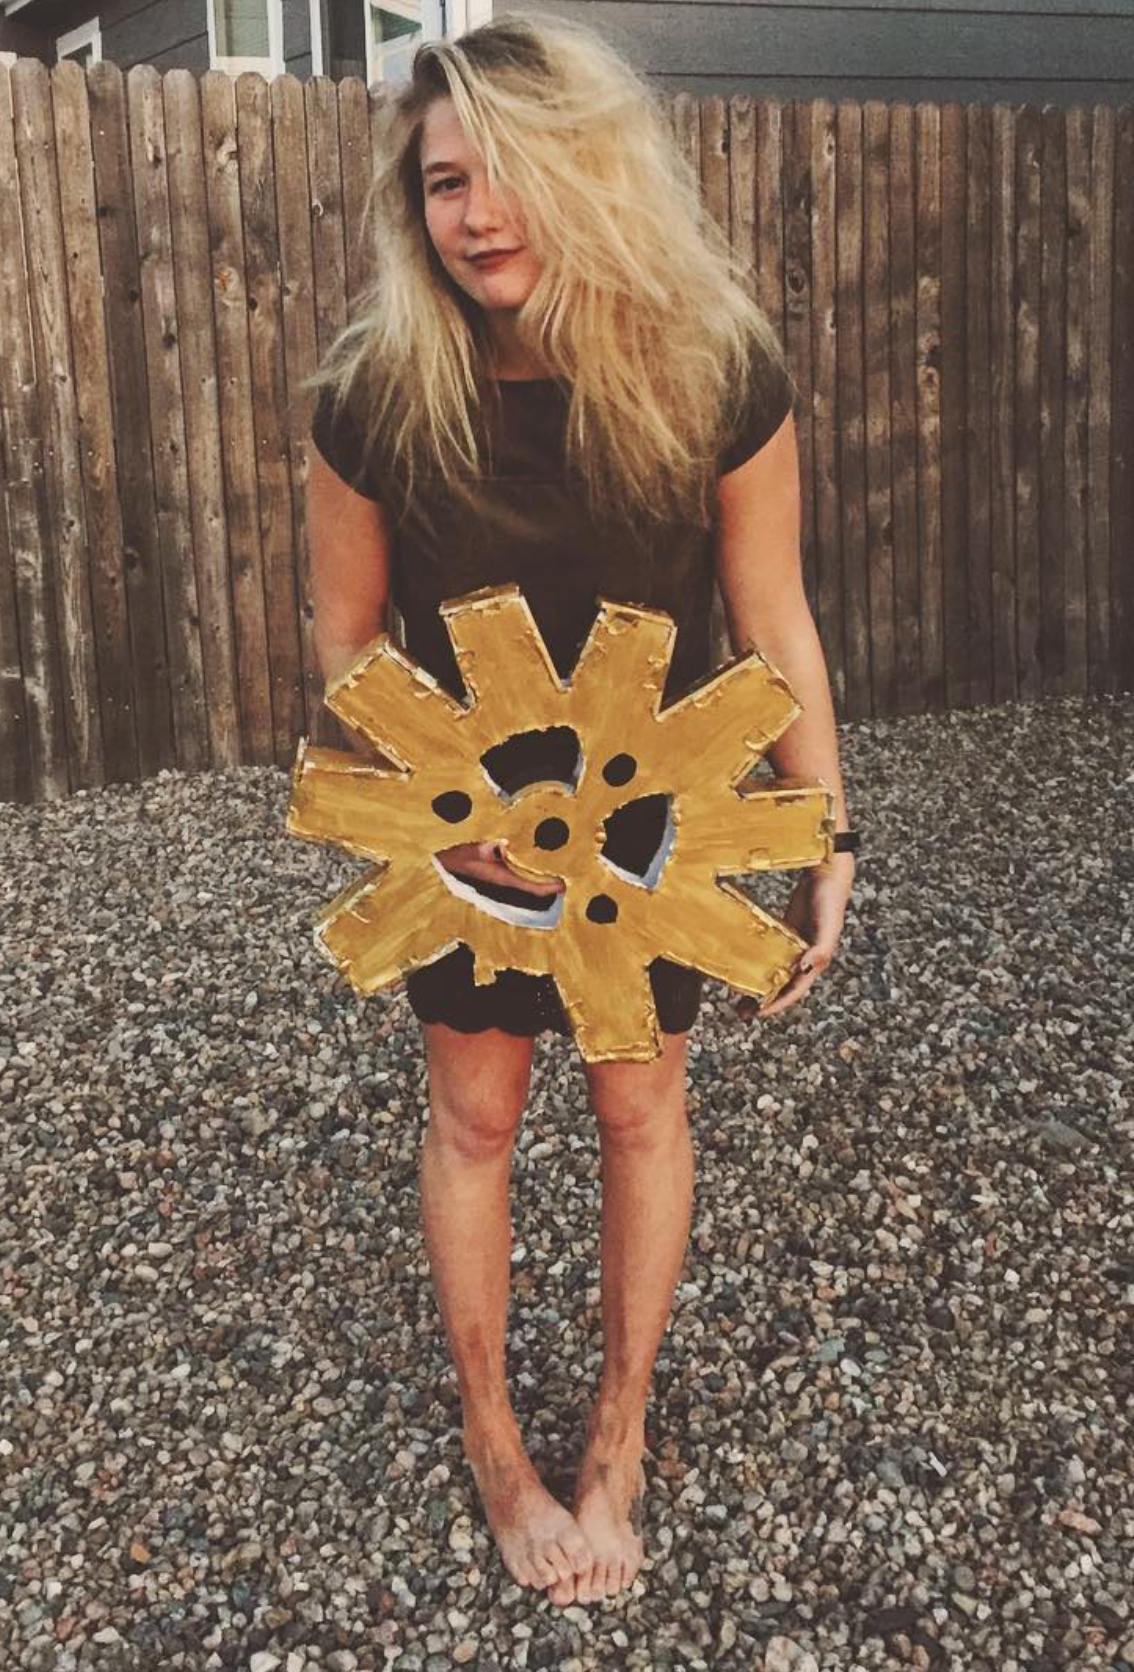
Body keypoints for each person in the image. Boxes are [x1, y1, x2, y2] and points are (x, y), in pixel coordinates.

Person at [304, 13, 856, 1609]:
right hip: (461, 836)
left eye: (510, 175)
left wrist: (822, 828)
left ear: (590, 173)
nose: (477, 216)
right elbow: (347, 638)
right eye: (443, 183)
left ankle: (616, 1439)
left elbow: (772, 616)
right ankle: (495, 1443)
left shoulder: (712, 369)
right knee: (475, 1119)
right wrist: (437, 809)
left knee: (638, 1111)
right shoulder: (377, 393)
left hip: (650, 829)